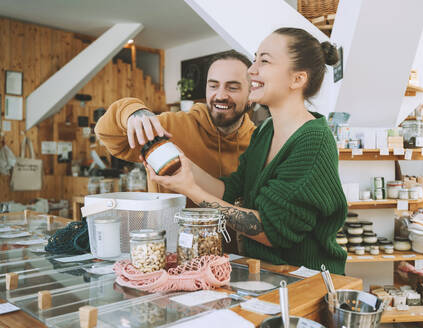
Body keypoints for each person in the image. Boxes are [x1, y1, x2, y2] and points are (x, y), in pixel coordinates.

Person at [144, 27, 348, 273]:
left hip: (307, 280)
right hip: (264, 275)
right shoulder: (265, 131)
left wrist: (191, 190)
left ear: (298, 79)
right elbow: (231, 191)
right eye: (254, 59)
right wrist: (182, 163)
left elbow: (271, 230)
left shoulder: (313, 140)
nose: (252, 70)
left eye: (264, 61)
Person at [95, 50, 256, 193]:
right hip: (167, 227)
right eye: (213, 86)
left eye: (232, 88)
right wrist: (131, 111)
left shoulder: (260, 142)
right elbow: (107, 134)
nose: (220, 95)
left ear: (251, 95)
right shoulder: (169, 127)